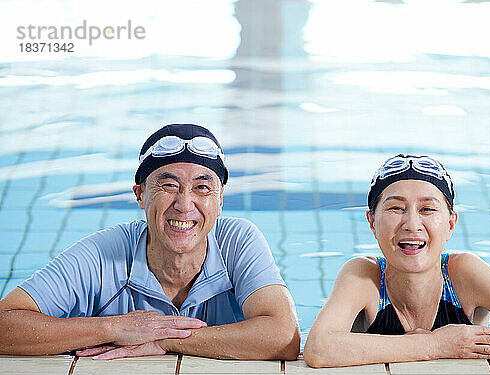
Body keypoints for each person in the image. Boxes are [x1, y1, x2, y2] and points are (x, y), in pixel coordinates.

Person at [0, 124, 300, 361]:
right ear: (141, 195)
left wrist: (160, 337)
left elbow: (284, 337)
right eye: (169, 186)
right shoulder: (103, 253)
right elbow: (4, 323)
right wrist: (116, 327)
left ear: (219, 201)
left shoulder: (238, 241)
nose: (184, 204)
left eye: (202, 188)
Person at [304, 154, 490, 367]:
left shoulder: (463, 273)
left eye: (427, 209)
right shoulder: (364, 275)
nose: (412, 224)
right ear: (372, 222)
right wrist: (436, 346)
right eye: (396, 208)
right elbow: (319, 349)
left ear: (450, 224)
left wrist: (470, 346)